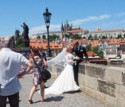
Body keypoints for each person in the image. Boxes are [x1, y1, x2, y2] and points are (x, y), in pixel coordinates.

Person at [0, 36, 32, 107]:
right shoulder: (17, 55)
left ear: (2, 44)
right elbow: (30, 65)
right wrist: (22, 74)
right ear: (12, 44)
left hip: (1, 89)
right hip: (13, 88)